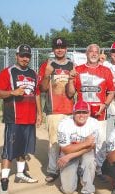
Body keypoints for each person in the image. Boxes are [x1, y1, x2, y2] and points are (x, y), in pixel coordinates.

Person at [0, 44, 42, 194]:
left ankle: (20, 174)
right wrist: (12, 92)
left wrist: (39, 113)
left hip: (29, 117)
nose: (25, 58)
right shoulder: (8, 72)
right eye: (22, 55)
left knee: (23, 148)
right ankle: (4, 181)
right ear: (16, 56)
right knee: (9, 151)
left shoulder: (33, 73)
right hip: (14, 118)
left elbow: (37, 94)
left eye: (27, 56)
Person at [66, 43, 115, 176]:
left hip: (100, 115)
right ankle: (82, 167)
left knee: (100, 142)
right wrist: (70, 80)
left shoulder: (106, 71)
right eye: (91, 52)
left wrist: (104, 105)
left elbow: (111, 92)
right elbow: (70, 94)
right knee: (82, 141)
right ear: (86, 54)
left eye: (96, 52)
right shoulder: (78, 70)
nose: (93, 54)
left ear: (99, 55)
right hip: (82, 116)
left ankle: (98, 169)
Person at [38, 37, 75, 183]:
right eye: (57, 47)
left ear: (66, 49)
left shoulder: (72, 65)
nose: (60, 50)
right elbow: (42, 88)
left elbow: (72, 92)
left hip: (70, 110)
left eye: (62, 47)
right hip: (53, 110)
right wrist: (47, 74)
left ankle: (67, 167)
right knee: (54, 142)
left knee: (69, 142)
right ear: (53, 49)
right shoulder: (47, 65)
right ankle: (53, 170)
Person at [57, 100, 99, 194]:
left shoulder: (94, 124)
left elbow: (91, 146)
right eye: (78, 112)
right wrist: (85, 143)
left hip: (83, 153)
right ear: (73, 113)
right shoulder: (64, 124)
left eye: (84, 112)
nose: (81, 115)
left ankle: (87, 191)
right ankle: (77, 171)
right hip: (69, 152)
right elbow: (66, 149)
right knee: (68, 190)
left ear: (89, 113)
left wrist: (70, 156)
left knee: (90, 160)